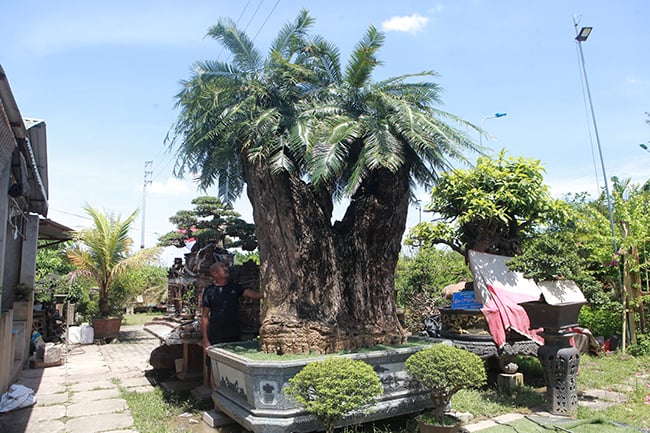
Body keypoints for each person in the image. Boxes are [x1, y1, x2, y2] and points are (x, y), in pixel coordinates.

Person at [201, 261, 262, 388]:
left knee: (232, 364)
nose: (226, 268)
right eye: (222, 267)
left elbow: (253, 295)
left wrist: (269, 294)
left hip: (233, 332)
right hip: (216, 334)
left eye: (226, 266)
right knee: (215, 365)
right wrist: (206, 340)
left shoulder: (235, 287)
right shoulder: (209, 291)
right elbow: (205, 316)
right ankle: (217, 399)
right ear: (214, 273)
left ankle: (230, 394)